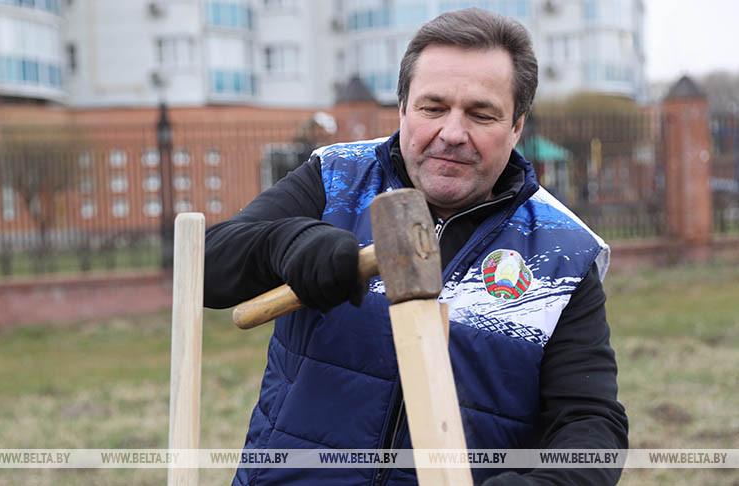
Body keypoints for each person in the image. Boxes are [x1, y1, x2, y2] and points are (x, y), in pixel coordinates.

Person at [204, 8, 628, 486]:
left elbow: (591, 426)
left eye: (481, 114)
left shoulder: (562, 252)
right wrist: (289, 242)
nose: (451, 133)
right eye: (433, 107)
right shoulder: (334, 180)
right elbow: (206, 265)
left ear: (516, 126)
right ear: (403, 107)